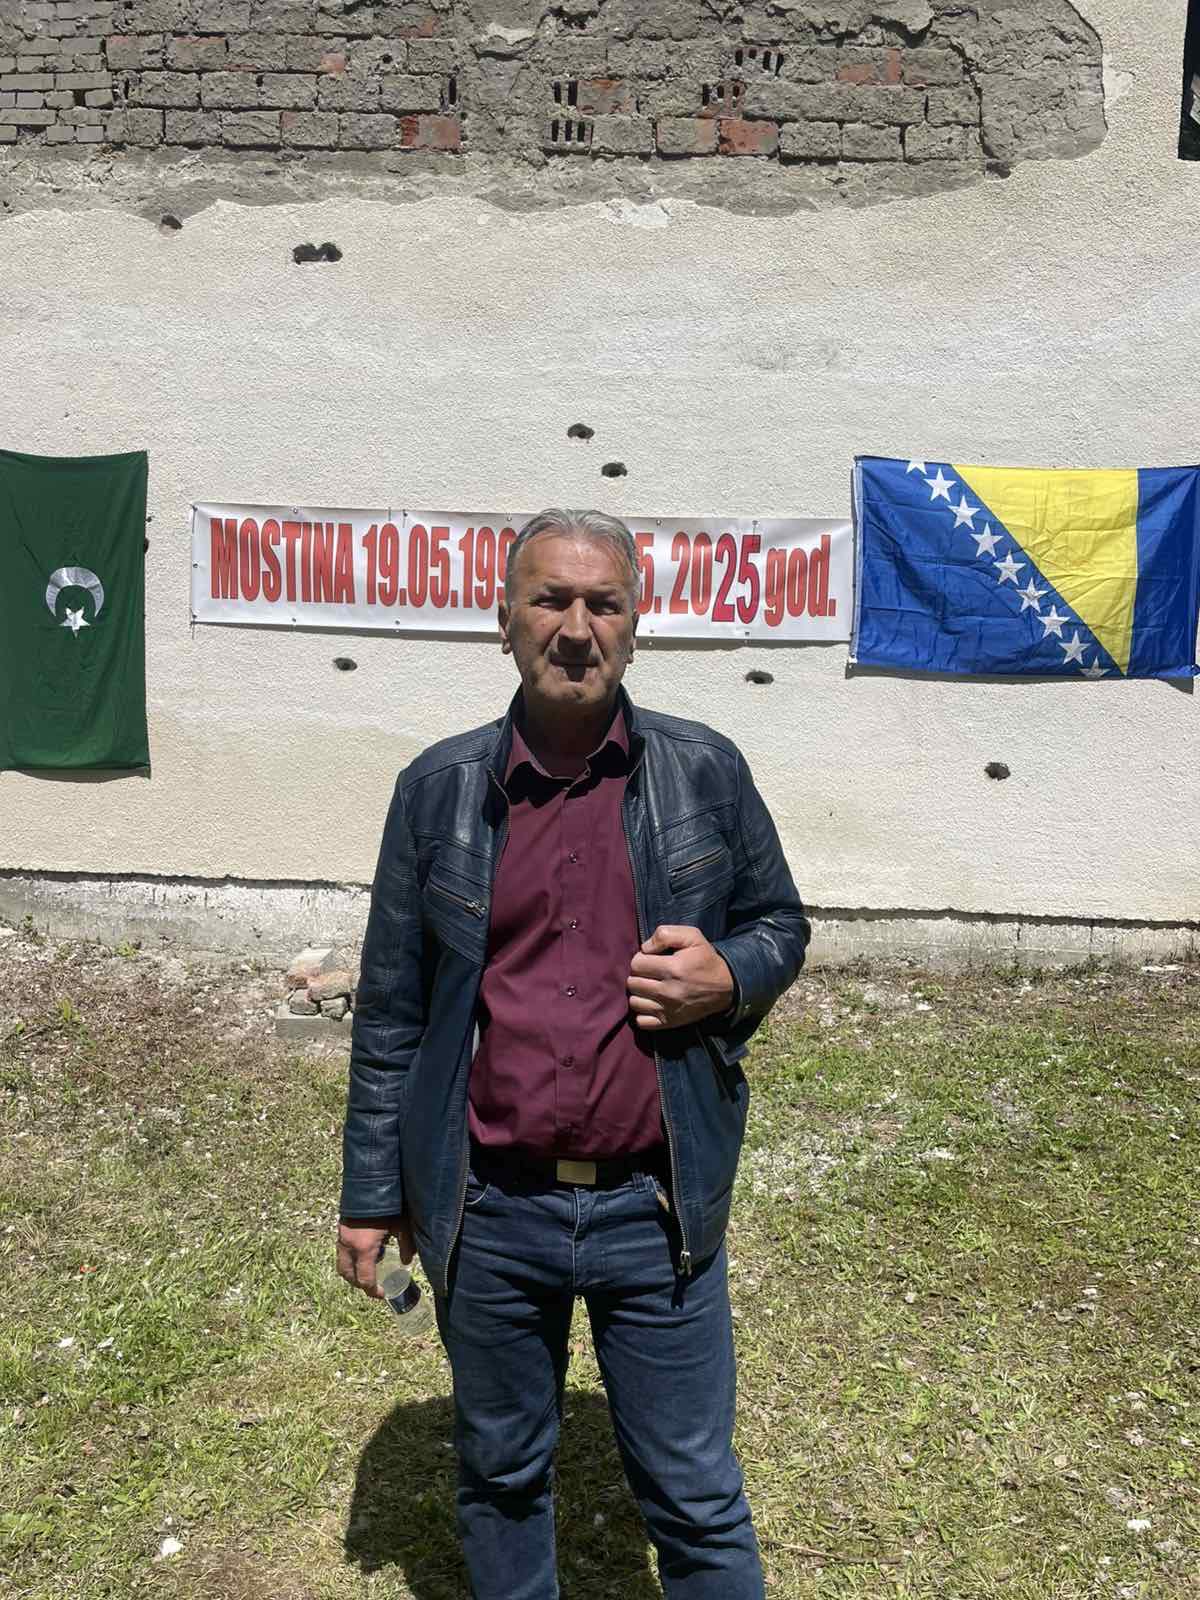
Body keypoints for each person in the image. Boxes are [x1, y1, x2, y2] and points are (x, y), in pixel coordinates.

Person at [336, 508, 810, 1600]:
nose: (577, 627)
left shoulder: (705, 771)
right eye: (550, 599)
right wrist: (371, 1195)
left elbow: (780, 921)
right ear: (503, 619)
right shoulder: (436, 791)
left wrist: (732, 973)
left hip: (657, 1206)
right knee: (503, 1477)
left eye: (604, 603)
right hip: (492, 1209)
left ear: (636, 627)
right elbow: (393, 1014)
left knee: (695, 1495)